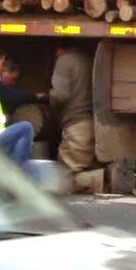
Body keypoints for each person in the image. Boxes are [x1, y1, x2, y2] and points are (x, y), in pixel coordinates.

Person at [48, 46, 97, 189]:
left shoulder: (65, 61)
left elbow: (59, 95)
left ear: (60, 49)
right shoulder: (89, 60)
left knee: (67, 179)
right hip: (93, 125)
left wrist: (48, 99)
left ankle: (107, 177)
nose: (55, 54)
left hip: (76, 126)